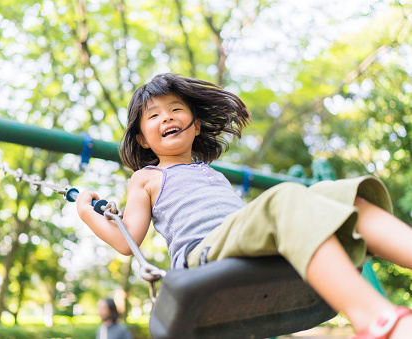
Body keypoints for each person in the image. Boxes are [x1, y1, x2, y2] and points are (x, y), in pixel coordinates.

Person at [76, 73, 412, 338]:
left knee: (343, 197)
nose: (167, 117)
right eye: (154, 115)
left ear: (196, 125)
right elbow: (126, 241)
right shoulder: (146, 177)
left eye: (176, 109)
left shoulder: (211, 173)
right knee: (285, 198)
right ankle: (376, 319)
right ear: (142, 139)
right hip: (202, 256)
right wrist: (86, 212)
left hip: (242, 244)